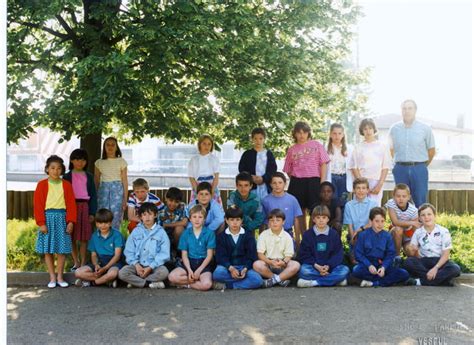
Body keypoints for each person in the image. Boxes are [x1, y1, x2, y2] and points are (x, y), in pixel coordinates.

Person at [34, 155, 77, 288]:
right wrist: (41, 223)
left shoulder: (66, 185)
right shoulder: (42, 185)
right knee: (48, 250)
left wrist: (70, 221)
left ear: (62, 170)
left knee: (61, 250)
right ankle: (52, 277)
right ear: (47, 169)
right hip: (47, 219)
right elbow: (38, 205)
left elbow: (71, 204)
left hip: (62, 218)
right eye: (52, 168)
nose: (55, 171)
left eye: (59, 168)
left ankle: (60, 276)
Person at [283, 121, 330, 230]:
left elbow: (323, 163)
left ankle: (311, 235)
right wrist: (296, 178)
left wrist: (322, 182)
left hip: (314, 181)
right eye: (298, 132)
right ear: (294, 134)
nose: (301, 135)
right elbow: (288, 169)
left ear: (308, 133)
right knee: (299, 212)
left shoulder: (316, 145)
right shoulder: (292, 149)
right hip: (297, 182)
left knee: (314, 210)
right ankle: (302, 238)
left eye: (304, 132)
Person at [389, 99, 436, 207]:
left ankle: (422, 223)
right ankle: (402, 223)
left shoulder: (425, 128)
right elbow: (390, 149)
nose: (407, 111)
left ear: (415, 110)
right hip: (400, 168)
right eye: (404, 108)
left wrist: (422, 165)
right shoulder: (394, 129)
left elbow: (431, 150)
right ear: (401, 111)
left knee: (420, 199)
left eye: (410, 108)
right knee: (401, 200)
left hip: (419, 168)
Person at [403, 203, 461, 286]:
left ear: (434, 216)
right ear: (419, 218)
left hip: (439, 261)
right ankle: (442, 281)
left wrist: (435, 268)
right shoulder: (418, 232)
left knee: (455, 269)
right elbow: (412, 254)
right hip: (424, 261)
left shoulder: (443, 231)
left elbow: (445, 255)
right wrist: (411, 250)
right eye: (423, 215)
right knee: (408, 262)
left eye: (429, 214)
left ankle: (420, 282)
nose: (426, 217)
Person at [352, 207, 410, 287]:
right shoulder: (363, 235)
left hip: (382, 265)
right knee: (356, 270)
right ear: (371, 221)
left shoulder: (387, 236)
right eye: (377, 221)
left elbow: (390, 254)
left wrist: (383, 267)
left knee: (404, 273)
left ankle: (374, 283)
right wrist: (369, 265)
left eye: (382, 221)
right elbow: (358, 254)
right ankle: (385, 281)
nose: (380, 224)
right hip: (368, 265)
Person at [118, 203, 170, 289]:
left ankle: (137, 282)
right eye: (144, 215)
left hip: (154, 266)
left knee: (164, 272)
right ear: (141, 217)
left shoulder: (161, 233)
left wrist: (150, 267)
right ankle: (148, 283)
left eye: (150, 214)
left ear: (155, 215)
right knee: (122, 273)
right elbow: (129, 251)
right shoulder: (136, 231)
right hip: (137, 266)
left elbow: (164, 253)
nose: (147, 217)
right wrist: (136, 265)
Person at [297, 206, 349, 287]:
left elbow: (338, 254)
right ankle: (335, 280)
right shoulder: (308, 234)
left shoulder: (334, 234)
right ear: (313, 219)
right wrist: (317, 266)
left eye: (324, 217)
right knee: (304, 270)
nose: (321, 220)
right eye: (318, 217)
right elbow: (304, 254)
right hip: (314, 267)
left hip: (330, 268)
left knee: (344, 270)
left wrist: (328, 266)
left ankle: (315, 283)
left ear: (328, 219)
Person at [212, 206, 263, 290]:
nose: (235, 223)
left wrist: (246, 268)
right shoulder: (221, 237)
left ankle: (229, 286)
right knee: (217, 274)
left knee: (258, 280)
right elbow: (220, 256)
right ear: (226, 220)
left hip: (244, 268)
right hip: (227, 268)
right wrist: (231, 268)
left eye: (237, 220)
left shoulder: (248, 235)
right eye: (232, 220)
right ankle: (244, 282)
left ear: (242, 221)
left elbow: (252, 255)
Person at [63, 148, 97, 271]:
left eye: (83, 160)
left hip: (85, 207)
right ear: (72, 160)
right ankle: (76, 262)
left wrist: (92, 212)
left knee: (83, 237)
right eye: (77, 159)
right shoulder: (66, 177)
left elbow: (93, 195)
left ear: (86, 162)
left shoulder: (89, 176)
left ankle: (83, 263)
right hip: (71, 207)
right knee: (70, 236)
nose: (80, 162)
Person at [168, 204, 216, 291]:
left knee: (207, 284)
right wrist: (189, 270)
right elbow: (184, 255)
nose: (197, 219)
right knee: (172, 277)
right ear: (190, 219)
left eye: (200, 217)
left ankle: (185, 284)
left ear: (204, 219)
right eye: (194, 217)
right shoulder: (186, 234)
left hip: (203, 263)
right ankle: (193, 282)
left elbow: (210, 256)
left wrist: (199, 270)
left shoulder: (209, 233)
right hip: (189, 262)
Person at [74, 208, 124, 288]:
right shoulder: (94, 236)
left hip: (113, 262)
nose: (103, 225)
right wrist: (96, 264)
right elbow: (93, 255)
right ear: (96, 224)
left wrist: (105, 268)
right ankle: (105, 280)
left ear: (110, 223)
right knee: (78, 272)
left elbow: (117, 256)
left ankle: (93, 282)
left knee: (113, 273)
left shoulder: (117, 235)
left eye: (106, 223)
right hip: (100, 262)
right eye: (100, 223)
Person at [253, 209, 301, 288]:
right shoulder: (263, 235)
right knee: (256, 264)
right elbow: (260, 254)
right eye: (271, 220)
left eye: (278, 220)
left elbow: (289, 255)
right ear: (268, 222)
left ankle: (274, 280)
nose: (274, 222)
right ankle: (280, 279)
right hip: (268, 263)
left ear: (283, 222)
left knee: (296, 265)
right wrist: (270, 262)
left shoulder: (287, 236)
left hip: (282, 263)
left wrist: (283, 262)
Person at [349, 118, 391, 207]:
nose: (368, 131)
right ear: (362, 131)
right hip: (362, 181)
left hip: (376, 182)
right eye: (365, 129)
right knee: (360, 207)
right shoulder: (358, 147)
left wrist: (379, 184)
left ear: (374, 129)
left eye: (370, 128)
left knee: (374, 209)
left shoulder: (382, 146)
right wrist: (362, 185)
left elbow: (385, 167)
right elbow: (354, 167)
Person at [94, 137, 128, 230]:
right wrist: (94, 197)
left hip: (117, 190)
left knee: (116, 215)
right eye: (107, 145)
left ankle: (115, 240)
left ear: (117, 147)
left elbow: (125, 180)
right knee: (102, 215)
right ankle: (101, 239)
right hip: (103, 191)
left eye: (113, 145)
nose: (110, 147)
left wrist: (125, 199)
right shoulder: (99, 163)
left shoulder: (121, 161)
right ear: (104, 147)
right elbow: (96, 181)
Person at [261, 172, 303, 246]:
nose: (277, 185)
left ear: (285, 183)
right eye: (274, 183)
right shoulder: (266, 200)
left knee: (288, 255)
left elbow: (296, 220)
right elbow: (263, 221)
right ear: (270, 184)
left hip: (288, 232)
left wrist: (297, 238)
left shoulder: (292, 199)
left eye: (280, 183)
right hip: (271, 233)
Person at [343, 177, 378, 263]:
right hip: (355, 237)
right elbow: (350, 225)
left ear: (367, 190)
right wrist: (352, 238)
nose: (361, 191)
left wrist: (359, 230)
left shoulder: (373, 204)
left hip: (370, 235)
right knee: (355, 261)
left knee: (370, 259)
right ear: (354, 190)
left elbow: (371, 224)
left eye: (363, 188)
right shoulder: (349, 205)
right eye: (358, 188)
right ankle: (353, 253)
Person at [238, 127, 277, 201]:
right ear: (252, 139)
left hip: (266, 187)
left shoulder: (269, 154)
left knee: (266, 208)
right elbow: (242, 169)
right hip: (251, 187)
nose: (258, 141)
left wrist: (263, 178)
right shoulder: (247, 154)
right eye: (255, 138)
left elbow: (273, 170)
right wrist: (251, 177)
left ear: (264, 139)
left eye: (260, 138)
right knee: (253, 207)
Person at [385, 183, 421, 257]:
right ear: (394, 196)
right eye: (398, 196)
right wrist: (411, 222)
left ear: (409, 197)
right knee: (398, 229)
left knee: (412, 251)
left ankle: (412, 260)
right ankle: (397, 257)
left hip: (407, 235)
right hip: (394, 233)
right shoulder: (391, 203)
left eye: (404, 196)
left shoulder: (413, 210)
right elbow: (395, 222)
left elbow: (415, 228)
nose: (401, 198)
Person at [188, 133, 222, 206]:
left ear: (212, 146)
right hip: (198, 186)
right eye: (204, 144)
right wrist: (197, 191)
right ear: (199, 144)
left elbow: (216, 177)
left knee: (213, 207)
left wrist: (212, 191)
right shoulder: (194, 159)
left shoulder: (214, 159)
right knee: (196, 209)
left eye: (209, 144)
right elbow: (191, 177)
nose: (207, 146)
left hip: (211, 185)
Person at [326, 123, 353, 202]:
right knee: (332, 201)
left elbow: (353, 166)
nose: (337, 136)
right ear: (330, 134)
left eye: (339, 133)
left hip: (344, 178)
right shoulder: (325, 148)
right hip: (331, 178)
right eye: (334, 133)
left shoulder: (350, 148)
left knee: (343, 201)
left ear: (343, 135)